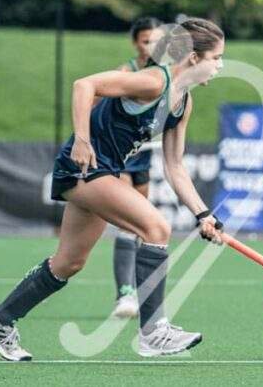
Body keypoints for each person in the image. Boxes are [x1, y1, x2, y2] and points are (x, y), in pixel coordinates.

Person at [0, 19, 226, 361]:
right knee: (156, 227)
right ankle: (153, 332)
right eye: (217, 57)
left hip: (105, 170)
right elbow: (84, 85)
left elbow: (175, 167)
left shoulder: (183, 104)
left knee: (69, 262)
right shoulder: (153, 82)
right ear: (195, 58)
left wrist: (203, 214)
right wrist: (81, 137)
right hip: (85, 166)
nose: (221, 65)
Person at [111, 17, 164, 320]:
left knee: (143, 226)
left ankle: (139, 292)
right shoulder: (125, 72)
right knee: (130, 223)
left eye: (156, 41)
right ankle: (125, 294)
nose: (150, 47)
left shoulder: (163, 76)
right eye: (145, 41)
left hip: (142, 156)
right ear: (135, 43)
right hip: (119, 157)